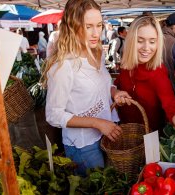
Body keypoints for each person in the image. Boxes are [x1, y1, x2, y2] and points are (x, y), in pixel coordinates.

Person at [115, 15, 175, 182]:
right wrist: (115, 93)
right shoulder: (127, 66)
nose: (147, 47)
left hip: (151, 143)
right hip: (127, 139)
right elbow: (117, 84)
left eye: (152, 41)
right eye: (141, 40)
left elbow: (171, 106)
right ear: (131, 40)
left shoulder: (157, 72)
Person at [43, 0, 131, 176]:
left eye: (99, 25)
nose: (96, 33)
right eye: (88, 26)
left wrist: (115, 93)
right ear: (73, 26)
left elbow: (104, 85)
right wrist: (96, 123)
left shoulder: (96, 53)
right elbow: (53, 115)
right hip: (83, 146)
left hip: (105, 135)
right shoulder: (63, 65)